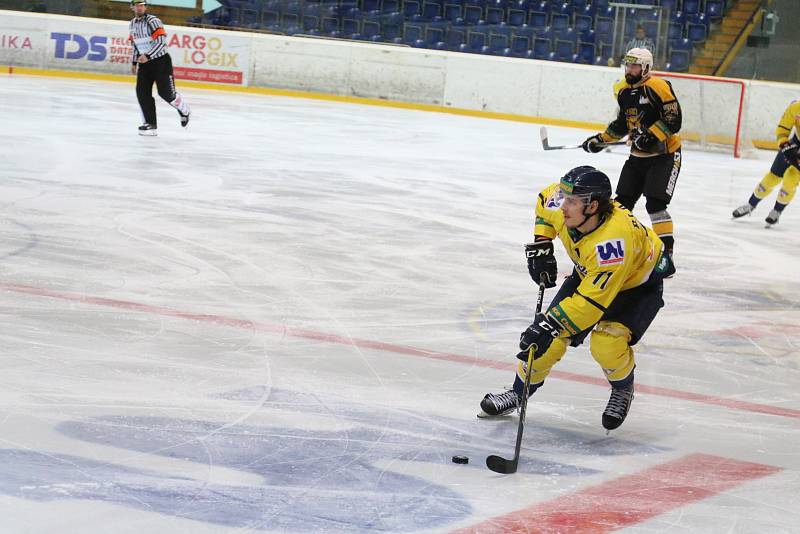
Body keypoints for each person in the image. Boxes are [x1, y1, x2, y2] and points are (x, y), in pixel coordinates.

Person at [479, 166, 674, 431]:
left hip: (636, 287)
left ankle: (622, 388)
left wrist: (549, 325)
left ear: (592, 206)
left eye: (571, 201)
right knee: (547, 344)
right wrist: (542, 244)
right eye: (565, 197)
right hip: (591, 275)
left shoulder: (612, 244)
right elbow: (543, 203)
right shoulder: (567, 205)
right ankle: (518, 392)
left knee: (606, 343)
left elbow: (591, 304)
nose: (563, 205)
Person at [581, 48, 682, 261]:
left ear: (645, 67)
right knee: (620, 205)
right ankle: (614, 248)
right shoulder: (624, 91)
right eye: (627, 64)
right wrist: (600, 140)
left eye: (634, 65)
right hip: (638, 157)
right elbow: (621, 125)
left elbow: (674, 120)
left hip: (665, 156)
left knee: (655, 204)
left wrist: (651, 136)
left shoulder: (658, 87)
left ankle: (666, 255)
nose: (629, 69)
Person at [732, 100, 800, 225]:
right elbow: (782, 130)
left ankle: (777, 211)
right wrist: (785, 145)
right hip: (794, 144)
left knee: (790, 180)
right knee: (771, 178)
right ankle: (750, 204)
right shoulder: (796, 107)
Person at [129, 0, 190, 136]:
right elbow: (135, 45)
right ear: (132, 7)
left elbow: (161, 42)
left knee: (166, 94)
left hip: (160, 62)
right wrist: (134, 62)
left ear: (146, 7)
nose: (139, 8)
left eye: (142, 5)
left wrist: (148, 56)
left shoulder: (153, 21)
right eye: (137, 5)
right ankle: (150, 125)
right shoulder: (132, 24)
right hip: (144, 64)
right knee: (142, 93)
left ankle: (184, 109)